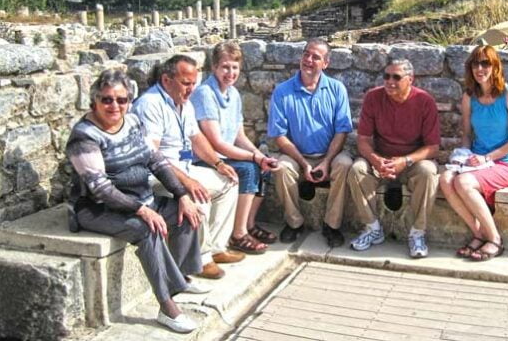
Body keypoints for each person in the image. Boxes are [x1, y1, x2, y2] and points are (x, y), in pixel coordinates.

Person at [66, 70, 204, 333]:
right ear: (94, 101)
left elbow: (156, 161)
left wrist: (181, 194)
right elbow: (100, 188)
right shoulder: (84, 136)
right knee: (146, 229)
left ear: (129, 101)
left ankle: (182, 276)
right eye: (107, 100)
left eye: (121, 100)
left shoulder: (132, 122)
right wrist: (142, 210)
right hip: (96, 209)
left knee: (185, 211)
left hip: (140, 199)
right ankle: (167, 307)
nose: (114, 106)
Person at [132, 54, 243, 280]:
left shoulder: (184, 103)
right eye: (186, 83)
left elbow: (196, 137)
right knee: (197, 194)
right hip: (158, 176)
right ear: (166, 80)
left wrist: (218, 163)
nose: (191, 89)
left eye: (194, 83)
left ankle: (216, 248)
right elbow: (152, 156)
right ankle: (201, 260)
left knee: (230, 182)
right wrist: (187, 182)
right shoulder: (150, 105)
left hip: (183, 166)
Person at [191, 41, 280, 254]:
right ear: (214, 67)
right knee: (249, 169)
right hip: (208, 157)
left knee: (265, 167)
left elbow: (238, 136)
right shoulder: (205, 94)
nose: (230, 73)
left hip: (227, 153)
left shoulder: (234, 95)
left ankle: (248, 224)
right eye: (225, 67)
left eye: (234, 68)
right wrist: (254, 159)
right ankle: (238, 234)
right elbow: (216, 142)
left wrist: (259, 154)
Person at [438, 45, 508, 261]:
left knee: (464, 183)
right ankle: (478, 234)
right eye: (475, 64)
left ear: (495, 66)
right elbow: (467, 135)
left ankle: (494, 239)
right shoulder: (470, 97)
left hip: (504, 163)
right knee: (446, 178)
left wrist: (487, 158)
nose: (480, 68)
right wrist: (462, 156)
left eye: (485, 63)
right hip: (475, 161)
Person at [348, 58, 440, 258]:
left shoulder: (424, 101)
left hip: (411, 163)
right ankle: (372, 228)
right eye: (386, 76)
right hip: (381, 160)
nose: (389, 81)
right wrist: (375, 160)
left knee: (429, 172)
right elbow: (363, 140)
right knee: (356, 169)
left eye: (396, 77)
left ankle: (417, 233)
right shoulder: (373, 98)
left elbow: (432, 147)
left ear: (410, 80)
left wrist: (404, 161)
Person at [268, 39, 353, 247]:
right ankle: (294, 222)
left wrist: (326, 162)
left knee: (345, 165)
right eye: (306, 54)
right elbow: (279, 136)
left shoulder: (337, 89)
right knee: (281, 168)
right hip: (297, 154)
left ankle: (332, 225)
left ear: (326, 63)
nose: (308, 60)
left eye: (316, 57)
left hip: (329, 154)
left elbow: (342, 130)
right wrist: (304, 163)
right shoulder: (282, 91)